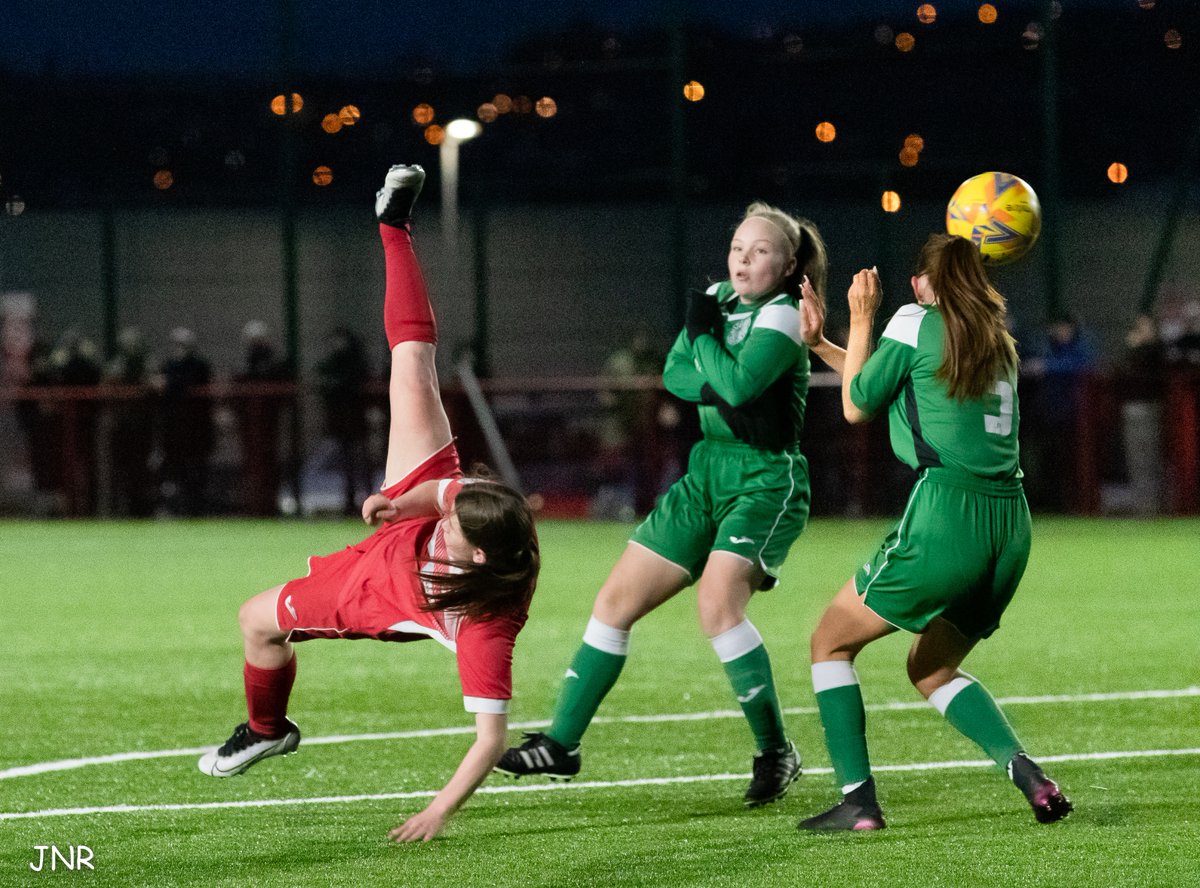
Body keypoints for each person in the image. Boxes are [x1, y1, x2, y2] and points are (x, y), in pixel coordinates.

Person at [197, 164, 541, 843]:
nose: (454, 514)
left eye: (455, 527)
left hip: (384, 591)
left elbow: (490, 739)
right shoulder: (479, 508)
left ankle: (267, 731)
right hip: (402, 533)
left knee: (255, 621)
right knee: (412, 366)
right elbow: (448, 495)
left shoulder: (484, 628)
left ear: (474, 554)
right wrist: (400, 501)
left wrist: (438, 812)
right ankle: (393, 225)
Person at [497, 201, 828, 808]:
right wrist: (710, 360)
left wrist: (702, 338)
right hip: (706, 472)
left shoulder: (783, 318)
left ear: (787, 268)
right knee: (615, 602)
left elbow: (738, 386)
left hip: (764, 479)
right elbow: (674, 376)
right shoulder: (721, 302)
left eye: (759, 252)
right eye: (737, 249)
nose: (743, 260)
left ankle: (775, 750)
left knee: (717, 605)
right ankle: (562, 744)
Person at [794, 234, 1072, 831]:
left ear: (924, 284)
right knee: (932, 669)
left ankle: (859, 801)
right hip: (1010, 526)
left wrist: (861, 314)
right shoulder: (995, 340)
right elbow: (883, 377)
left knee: (829, 643)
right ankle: (1030, 775)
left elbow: (857, 405)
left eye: (916, 277)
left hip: (950, 514)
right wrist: (820, 343)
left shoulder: (913, 318)